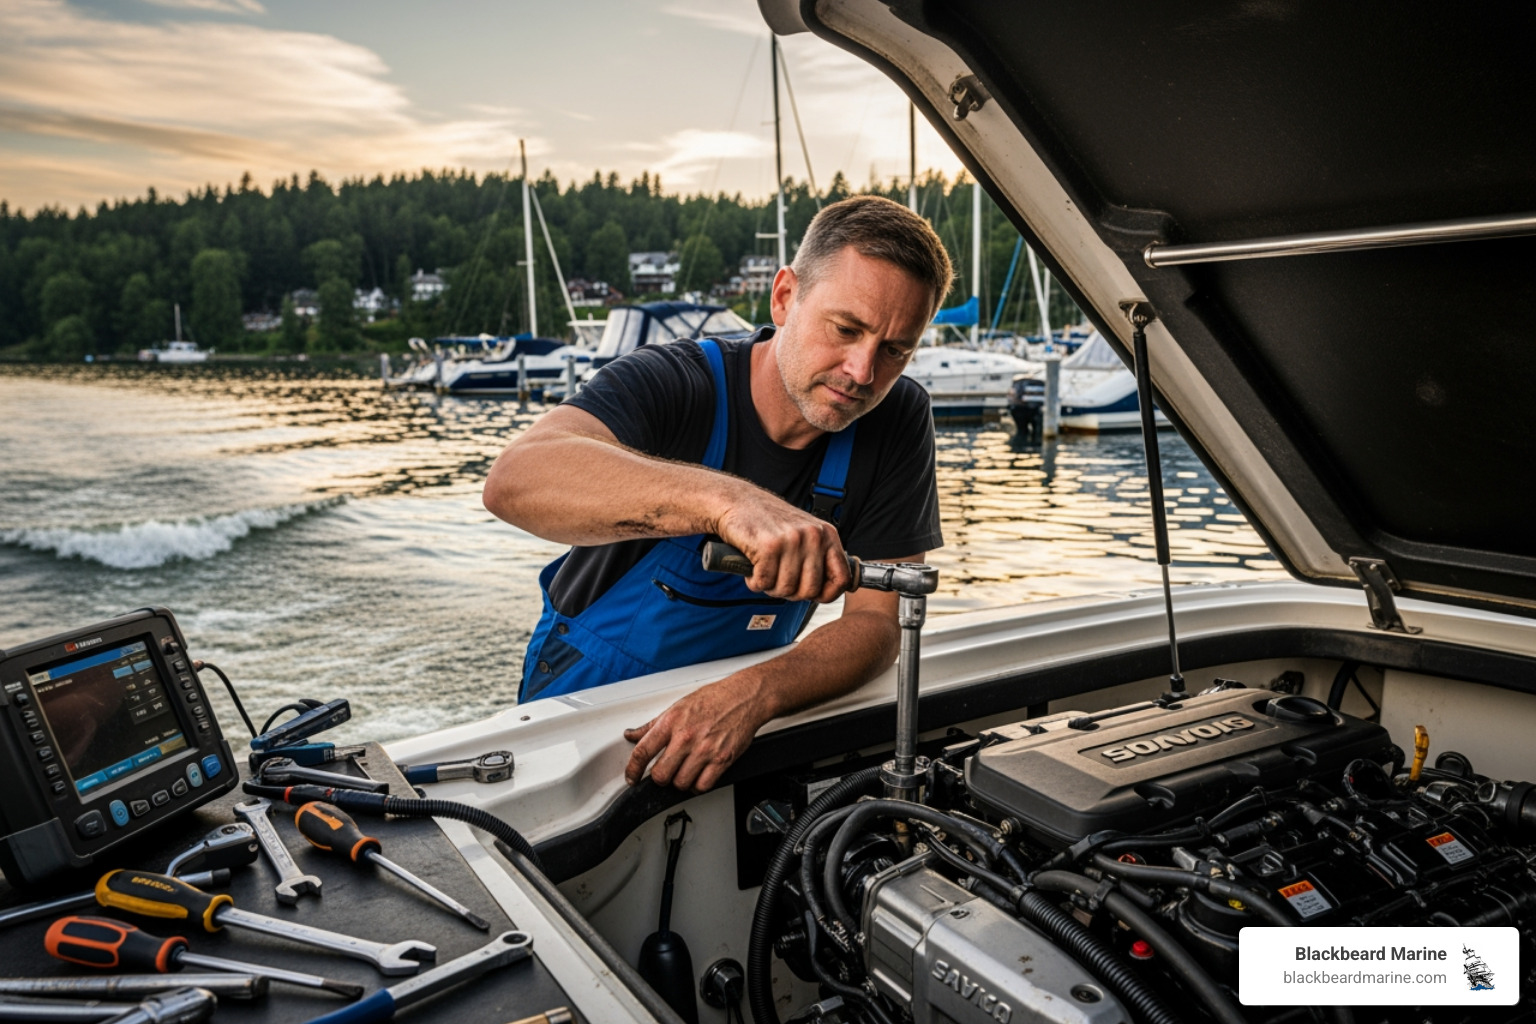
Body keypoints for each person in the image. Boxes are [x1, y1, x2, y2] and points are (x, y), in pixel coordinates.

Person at [483, 194, 951, 793]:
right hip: (580, 722)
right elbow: (515, 480)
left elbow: (878, 622)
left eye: (894, 350)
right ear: (785, 297)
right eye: (846, 329)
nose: (862, 373)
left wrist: (757, 693)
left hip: (738, 723)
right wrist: (730, 505)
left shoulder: (898, 417)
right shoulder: (674, 382)